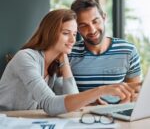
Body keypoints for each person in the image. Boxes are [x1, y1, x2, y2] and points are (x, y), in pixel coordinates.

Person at [0, 9, 136, 116]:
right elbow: (50, 104)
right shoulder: (25, 58)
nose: (72, 40)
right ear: (50, 33)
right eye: (66, 33)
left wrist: (65, 62)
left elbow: (71, 100)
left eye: (74, 34)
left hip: (27, 121)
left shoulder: (54, 65)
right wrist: (101, 90)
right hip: (7, 121)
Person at [69, 0, 141, 102]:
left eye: (95, 21)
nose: (92, 30)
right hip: (82, 116)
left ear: (104, 17)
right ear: (77, 27)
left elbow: (134, 93)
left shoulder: (128, 51)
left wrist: (117, 108)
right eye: (84, 25)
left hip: (117, 115)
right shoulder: (69, 53)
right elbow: (63, 97)